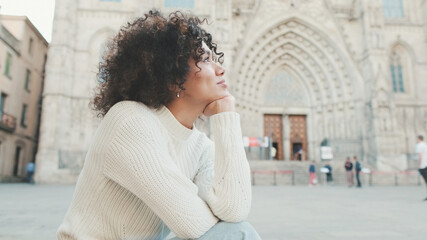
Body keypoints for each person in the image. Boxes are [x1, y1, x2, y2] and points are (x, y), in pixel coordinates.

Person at [57, 10, 260, 239]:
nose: (220, 69)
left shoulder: (199, 145)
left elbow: (234, 210)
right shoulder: (129, 121)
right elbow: (195, 225)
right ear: (172, 76)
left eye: (215, 59)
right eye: (204, 59)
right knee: (237, 233)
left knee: (236, 229)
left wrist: (227, 116)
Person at [415, 135, 427, 201]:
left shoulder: (419, 145)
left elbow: (420, 156)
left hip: (423, 165)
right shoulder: (425, 145)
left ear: (419, 139)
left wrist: (419, 165)